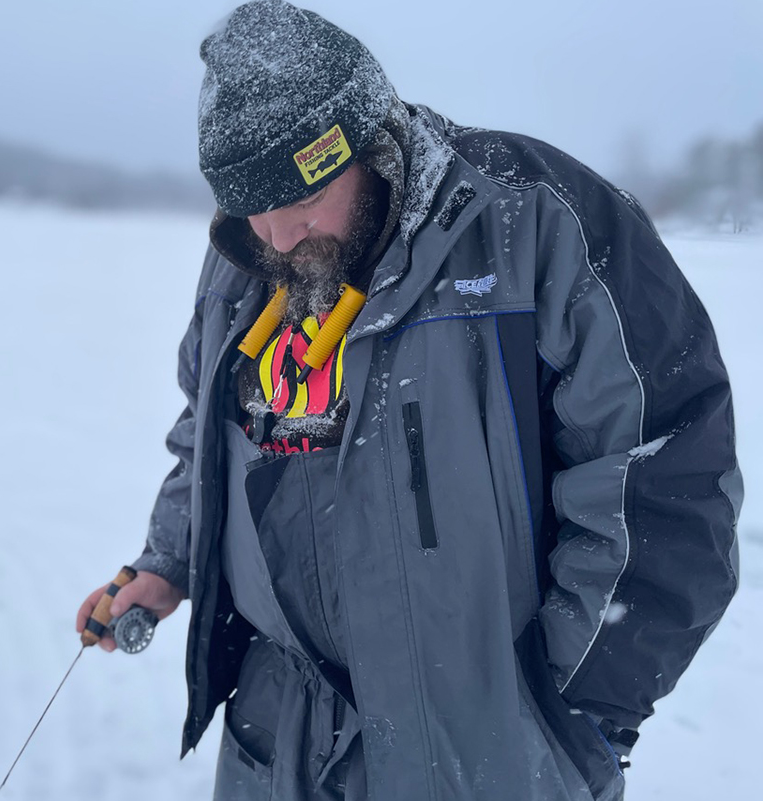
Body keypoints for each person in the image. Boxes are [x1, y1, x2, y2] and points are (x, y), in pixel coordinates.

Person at [76, 2, 742, 799]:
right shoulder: (246, 262)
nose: (279, 240)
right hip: (278, 739)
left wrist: (581, 712)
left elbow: (665, 469)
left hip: (485, 747)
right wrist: (168, 562)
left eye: (301, 204)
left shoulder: (532, 222)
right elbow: (211, 435)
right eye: (256, 209)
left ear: (367, 143)